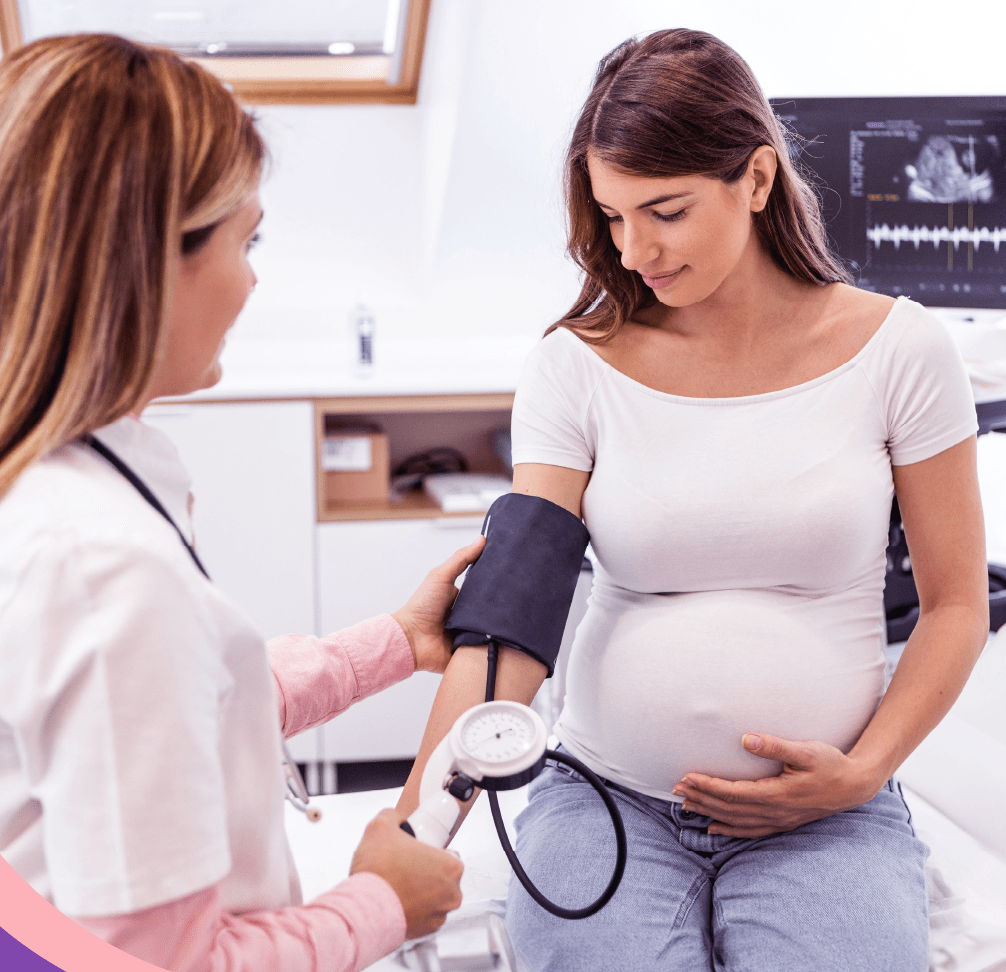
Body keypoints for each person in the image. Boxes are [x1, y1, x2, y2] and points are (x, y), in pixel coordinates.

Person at [397, 28, 989, 972]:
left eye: (664, 212)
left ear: (756, 180)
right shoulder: (575, 364)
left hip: (825, 811)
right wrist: (413, 831)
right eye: (613, 216)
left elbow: (957, 605)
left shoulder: (902, 352)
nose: (634, 251)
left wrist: (864, 773)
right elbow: (515, 609)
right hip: (608, 793)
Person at [0, 34, 471, 972]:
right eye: (245, 242)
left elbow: (175, 714)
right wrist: (381, 902)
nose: (254, 280)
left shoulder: (6, 478)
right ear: (140, 262)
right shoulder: (97, 573)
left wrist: (393, 645)